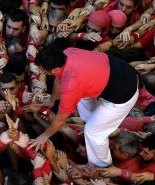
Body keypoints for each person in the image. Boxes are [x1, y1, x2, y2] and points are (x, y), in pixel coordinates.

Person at [30, 39, 139, 167]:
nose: (43, 73)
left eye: (44, 71)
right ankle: (95, 122)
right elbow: (58, 80)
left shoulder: (71, 85)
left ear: (55, 69)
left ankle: (102, 165)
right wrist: (52, 100)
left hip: (124, 94)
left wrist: (44, 136)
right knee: (84, 105)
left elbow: (60, 119)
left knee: (92, 131)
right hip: (123, 71)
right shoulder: (68, 52)